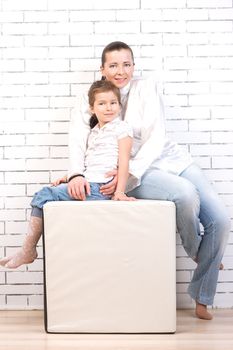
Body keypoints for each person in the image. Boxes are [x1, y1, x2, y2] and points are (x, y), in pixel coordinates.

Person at [66, 41, 230, 320]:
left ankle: (202, 290)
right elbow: (77, 136)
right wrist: (77, 173)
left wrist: (128, 171)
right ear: (103, 69)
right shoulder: (91, 96)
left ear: (134, 66)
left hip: (169, 159)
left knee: (221, 220)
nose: (121, 71)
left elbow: (156, 136)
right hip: (136, 171)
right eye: (114, 65)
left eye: (127, 64)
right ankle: (199, 253)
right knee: (186, 195)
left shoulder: (146, 87)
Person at [0, 79, 135, 270]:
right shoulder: (95, 131)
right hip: (90, 183)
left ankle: (28, 250)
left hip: (99, 188)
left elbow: (124, 162)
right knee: (48, 194)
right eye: (102, 103)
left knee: (43, 195)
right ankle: (29, 250)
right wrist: (69, 176)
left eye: (113, 103)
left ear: (119, 106)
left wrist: (119, 191)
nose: (108, 108)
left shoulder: (122, 128)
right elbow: (92, 162)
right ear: (92, 108)